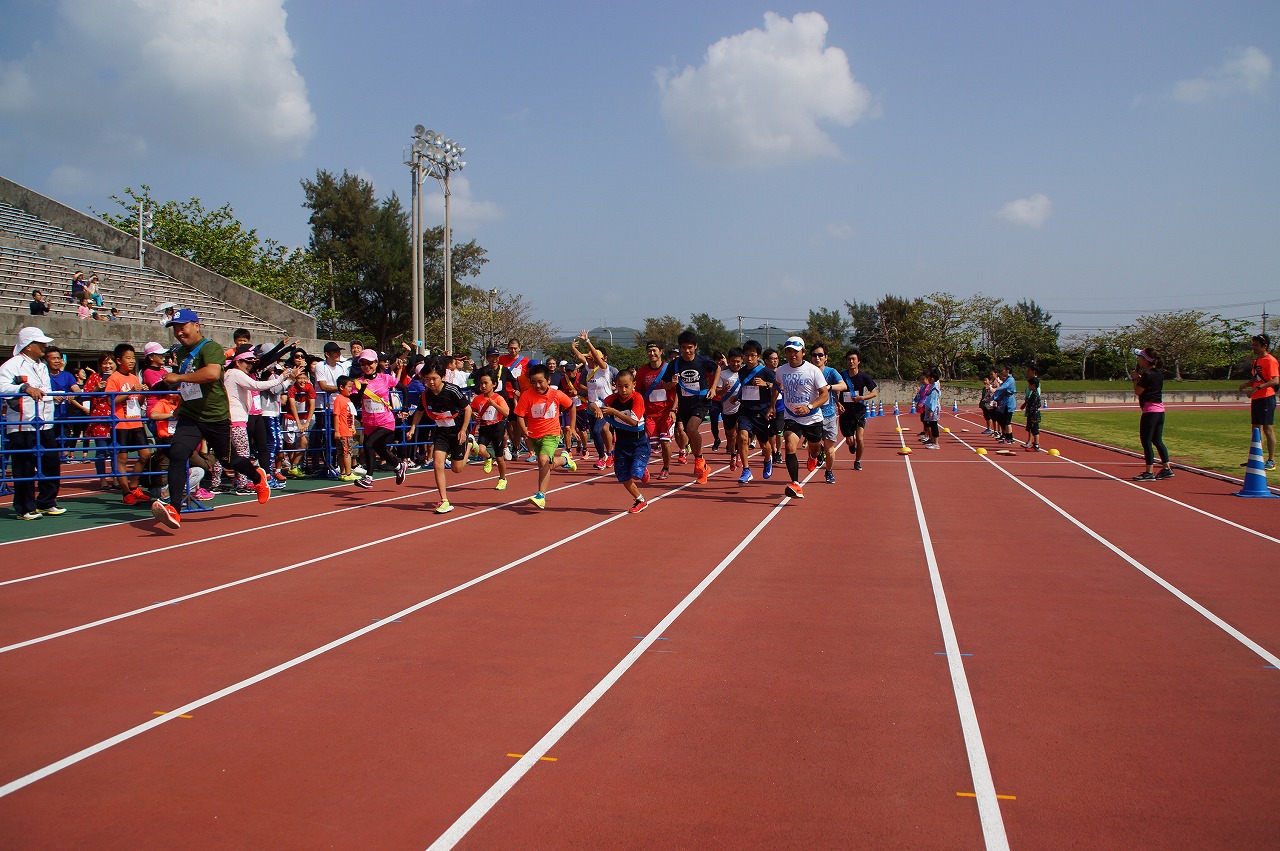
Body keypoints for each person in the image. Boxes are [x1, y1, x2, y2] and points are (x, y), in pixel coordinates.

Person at [150, 309, 274, 530]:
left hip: (215, 416)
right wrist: (181, 403)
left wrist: (178, 377)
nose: (179, 332)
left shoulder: (211, 348)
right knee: (178, 454)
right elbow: (189, 385)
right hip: (190, 415)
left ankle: (257, 476)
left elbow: (212, 374)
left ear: (197, 325)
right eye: (175, 328)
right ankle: (174, 510)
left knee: (228, 460)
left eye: (183, 326)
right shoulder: (180, 352)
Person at [0, 327, 64, 519]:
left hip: (45, 422)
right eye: (40, 343)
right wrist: (24, 387)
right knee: (24, 466)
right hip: (22, 424)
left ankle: (47, 501)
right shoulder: (12, 365)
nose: (44, 346)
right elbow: (2, 387)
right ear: (28, 346)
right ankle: (25, 507)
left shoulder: (42, 365)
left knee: (51, 462)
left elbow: (44, 389)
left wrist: (55, 397)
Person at [224, 346, 295, 495]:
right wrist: (282, 378)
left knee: (229, 454)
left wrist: (283, 347)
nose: (250, 365)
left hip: (238, 418)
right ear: (238, 362)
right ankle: (244, 483)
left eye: (252, 362)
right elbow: (257, 385)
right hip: (237, 419)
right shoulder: (235, 373)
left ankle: (238, 481)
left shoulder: (231, 373)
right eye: (247, 362)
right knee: (241, 454)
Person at [408, 356, 474, 513]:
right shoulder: (426, 395)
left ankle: (470, 444)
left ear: (442, 377)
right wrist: (412, 428)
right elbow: (419, 412)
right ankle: (444, 500)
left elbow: (468, 409)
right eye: (428, 379)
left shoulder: (452, 390)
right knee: (438, 464)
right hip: (441, 432)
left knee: (457, 469)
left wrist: (464, 430)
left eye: (434, 379)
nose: (431, 382)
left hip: (458, 431)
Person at [512, 362, 578, 509]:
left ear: (548, 380)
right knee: (546, 464)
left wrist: (572, 428)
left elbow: (571, 406)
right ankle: (564, 459)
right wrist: (524, 429)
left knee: (543, 460)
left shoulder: (556, 394)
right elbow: (520, 416)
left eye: (540, 382)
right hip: (534, 436)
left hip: (551, 434)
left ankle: (541, 495)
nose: (537, 385)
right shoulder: (527, 396)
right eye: (533, 382)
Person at [775, 336, 829, 498]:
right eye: (789, 351)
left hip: (812, 417)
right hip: (791, 416)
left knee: (814, 447)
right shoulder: (781, 370)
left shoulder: (813, 371)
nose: (792, 355)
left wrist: (809, 407)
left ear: (803, 352)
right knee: (790, 446)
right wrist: (772, 406)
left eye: (796, 352)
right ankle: (796, 484)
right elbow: (777, 386)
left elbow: (824, 394)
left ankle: (813, 455)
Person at [105, 343, 153, 503]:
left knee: (146, 454)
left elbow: (137, 402)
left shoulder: (134, 377)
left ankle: (134, 486)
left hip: (136, 422)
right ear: (119, 360)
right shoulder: (114, 378)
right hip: (121, 424)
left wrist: (143, 394)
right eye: (128, 358)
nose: (132, 361)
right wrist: (130, 391)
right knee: (122, 459)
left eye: (133, 358)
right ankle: (126, 492)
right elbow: (112, 401)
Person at [671, 329, 721, 484]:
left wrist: (713, 387)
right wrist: (671, 382)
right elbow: (666, 385)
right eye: (684, 347)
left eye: (690, 347)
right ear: (680, 348)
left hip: (701, 400)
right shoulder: (675, 364)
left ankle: (699, 459)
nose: (687, 350)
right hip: (685, 403)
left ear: (695, 347)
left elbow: (717, 368)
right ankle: (703, 468)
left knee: (692, 429)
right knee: (690, 434)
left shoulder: (703, 361)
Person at [351, 349, 405, 489]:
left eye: (369, 363)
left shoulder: (385, 378)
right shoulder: (357, 383)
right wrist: (362, 389)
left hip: (386, 421)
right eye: (363, 363)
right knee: (380, 449)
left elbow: (404, 389)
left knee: (368, 444)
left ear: (375, 363)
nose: (366, 366)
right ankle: (399, 466)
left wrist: (404, 409)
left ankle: (368, 477)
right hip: (369, 422)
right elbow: (355, 403)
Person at [601, 369, 651, 514]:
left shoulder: (637, 398)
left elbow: (634, 422)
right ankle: (640, 500)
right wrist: (596, 409)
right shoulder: (611, 400)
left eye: (626, 386)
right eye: (619, 386)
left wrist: (614, 412)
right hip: (622, 444)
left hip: (639, 443)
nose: (623, 390)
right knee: (622, 474)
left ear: (633, 384)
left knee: (635, 472)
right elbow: (594, 406)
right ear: (615, 385)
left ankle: (642, 471)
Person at [733, 339, 777, 484]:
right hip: (745, 411)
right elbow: (745, 388)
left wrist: (766, 384)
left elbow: (779, 387)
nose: (749, 358)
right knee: (743, 437)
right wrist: (737, 396)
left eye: (753, 355)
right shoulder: (742, 372)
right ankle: (746, 470)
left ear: (758, 356)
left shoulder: (766, 372)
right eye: (747, 355)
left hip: (761, 413)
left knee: (764, 445)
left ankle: (768, 459)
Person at [572, 331, 618, 469]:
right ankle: (608, 454)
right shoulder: (587, 367)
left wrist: (587, 341)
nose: (589, 360)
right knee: (595, 432)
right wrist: (573, 347)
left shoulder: (604, 369)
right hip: (592, 404)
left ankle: (605, 456)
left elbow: (596, 356)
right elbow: (580, 357)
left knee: (601, 430)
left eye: (592, 358)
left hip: (605, 404)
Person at [635, 341, 677, 480]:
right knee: (652, 444)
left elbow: (677, 391)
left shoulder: (669, 368)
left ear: (661, 351)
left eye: (654, 350)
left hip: (666, 412)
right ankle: (642, 466)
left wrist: (672, 409)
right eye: (649, 351)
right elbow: (638, 392)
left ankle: (666, 468)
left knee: (665, 442)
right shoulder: (642, 371)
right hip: (650, 414)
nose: (652, 353)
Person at [1131, 347, 1173, 481]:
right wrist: (1140, 378)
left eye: (1140, 358)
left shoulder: (1148, 375)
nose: (1139, 360)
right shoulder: (1157, 374)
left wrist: (1135, 379)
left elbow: (1138, 391)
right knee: (1157, 440)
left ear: (1145, 360)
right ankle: (1167, 468)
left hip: (1150, 412)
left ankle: (1149, 472)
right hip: (1160, 411)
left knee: (1146, 441)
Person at [807, 344, 847, 483]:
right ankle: (814, 455)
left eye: (820, 355)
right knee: (815, 445)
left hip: (828, 415)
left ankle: (829, 471)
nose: (817, 358)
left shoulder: (831, 372)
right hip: (812, 415)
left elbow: (843, 385)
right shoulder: (807, 371)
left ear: (826, 358)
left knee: (830, 449)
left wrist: (829, 387)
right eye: (814, 355)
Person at [1238, 333, 1278, 470]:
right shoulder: (1256, 361)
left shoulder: (1270, 360)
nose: (1253, 347)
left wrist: (1258, 388)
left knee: (1267, 428)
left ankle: (1271, 460)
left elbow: (1275, 380)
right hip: (1256, 398)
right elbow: (1256, 378)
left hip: (1267, 397)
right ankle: (1256, 457)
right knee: (1256, 429)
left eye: (1256, 345)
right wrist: (1246, 385)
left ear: (1264, 346)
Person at [469, 367, 511, 491]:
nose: (483, 386)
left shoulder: (498, 398)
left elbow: (506, 413)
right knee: (480, 451)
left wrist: (494, 404)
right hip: (484, 428)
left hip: (497, 428)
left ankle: (502, 478)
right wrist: (473, 413)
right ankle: (488, 457)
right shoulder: (477, 398)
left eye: (486, 383)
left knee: (500, 457)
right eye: (481, 383)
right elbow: (472, 409)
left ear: (494, 384)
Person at [837, 348, 877, 472]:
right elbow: (835, 391)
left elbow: (874, 392)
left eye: (853, 359)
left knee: (860, 438)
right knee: (849, 441)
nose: (851, 361)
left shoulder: (864, 376)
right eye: (849, 359)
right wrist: (838, 403)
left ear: (858, 361)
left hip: (859, 411)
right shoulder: (841, 375)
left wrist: (862, 397)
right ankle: (851, 444)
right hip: (845, 412)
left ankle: (857, 461)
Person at [715, 348, 744, 472]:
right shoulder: (722, 373)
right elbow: (715, 389)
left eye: (738, 361)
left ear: (742, 360)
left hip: (742, 407)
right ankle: (733, 453)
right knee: (731, 434)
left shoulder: (746, 373)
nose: (735, 364)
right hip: (728, 408)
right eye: (733, 361)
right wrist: (723, 391)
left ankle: (739, 455)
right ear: (729, 360)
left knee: (742, 434)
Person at [285, 366, 316, 477]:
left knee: (303, 442)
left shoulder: (309, 388)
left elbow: (312, 405)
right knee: (290, 443)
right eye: (299, 378)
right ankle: (292, 468)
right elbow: (292, 406)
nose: (302, 380)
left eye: (304, 378)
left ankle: (294, 466)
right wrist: (298, 423)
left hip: (304, 417)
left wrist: (307, 422)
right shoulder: (292, 388)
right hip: (291, 418)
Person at [332, 375, 357, 481]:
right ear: (342, 387)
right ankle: (347, 472)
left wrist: (353, 426)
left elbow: (351, 414)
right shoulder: (339, 399)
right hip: (343, 430)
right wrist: (337, 430)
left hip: (348, 429)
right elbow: (336, 415)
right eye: (349, 387)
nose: (351, 389)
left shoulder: (347, 399)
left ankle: (343, 472)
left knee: (344, 452)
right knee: (345, 452)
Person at [991, 365, 1017, 445]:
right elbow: (1002, 387)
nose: (1002, 371)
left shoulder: (1011, 380)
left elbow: (1004, 387)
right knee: (1003, 419)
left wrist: (996, 389)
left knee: (1007, 421)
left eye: (1003, 370)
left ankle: (1009, 438)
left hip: (1009, 402)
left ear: (1007, 371)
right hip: (1005, 401)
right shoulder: (1007, 379)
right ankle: (1006, 436)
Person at [921, 369, 941, 449]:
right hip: (929, 407)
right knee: (930, 424)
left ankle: (936, 443)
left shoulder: (935, 388)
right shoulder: (932, 385)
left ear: (932, 378)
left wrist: (931, 411)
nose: (928, 379)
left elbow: (933, 400)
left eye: (929, 378)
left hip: (933, 408)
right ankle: (933, 441)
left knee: (933, 424)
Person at [1021, 375, 1042, 452]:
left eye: (1029, 385)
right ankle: (1035, 445)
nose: (1028, 386)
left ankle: (1036, 445)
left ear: (1033, 385)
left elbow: (1036, 405)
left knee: (1035, 429)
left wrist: (1031, 413)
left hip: (1034, 415)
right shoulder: (1033, 393)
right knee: (1032, 429)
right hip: (1032, 414)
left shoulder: (1035, 395)